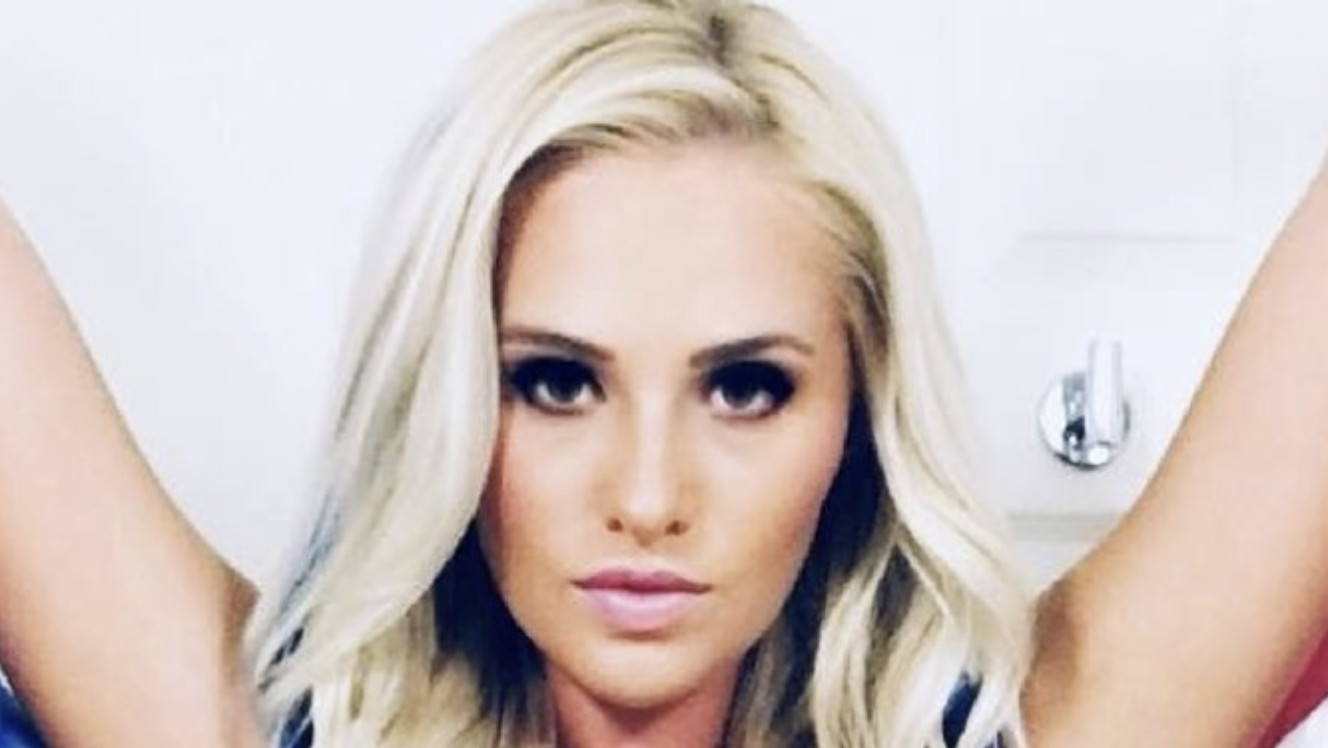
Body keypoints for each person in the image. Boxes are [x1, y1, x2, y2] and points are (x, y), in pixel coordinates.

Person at [0, 1, 1326, 747]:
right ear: (446, 398)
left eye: (745, 389)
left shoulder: (1039, 725)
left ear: (860, 417)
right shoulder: (255, 726)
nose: (647, 498)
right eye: (554, 383)